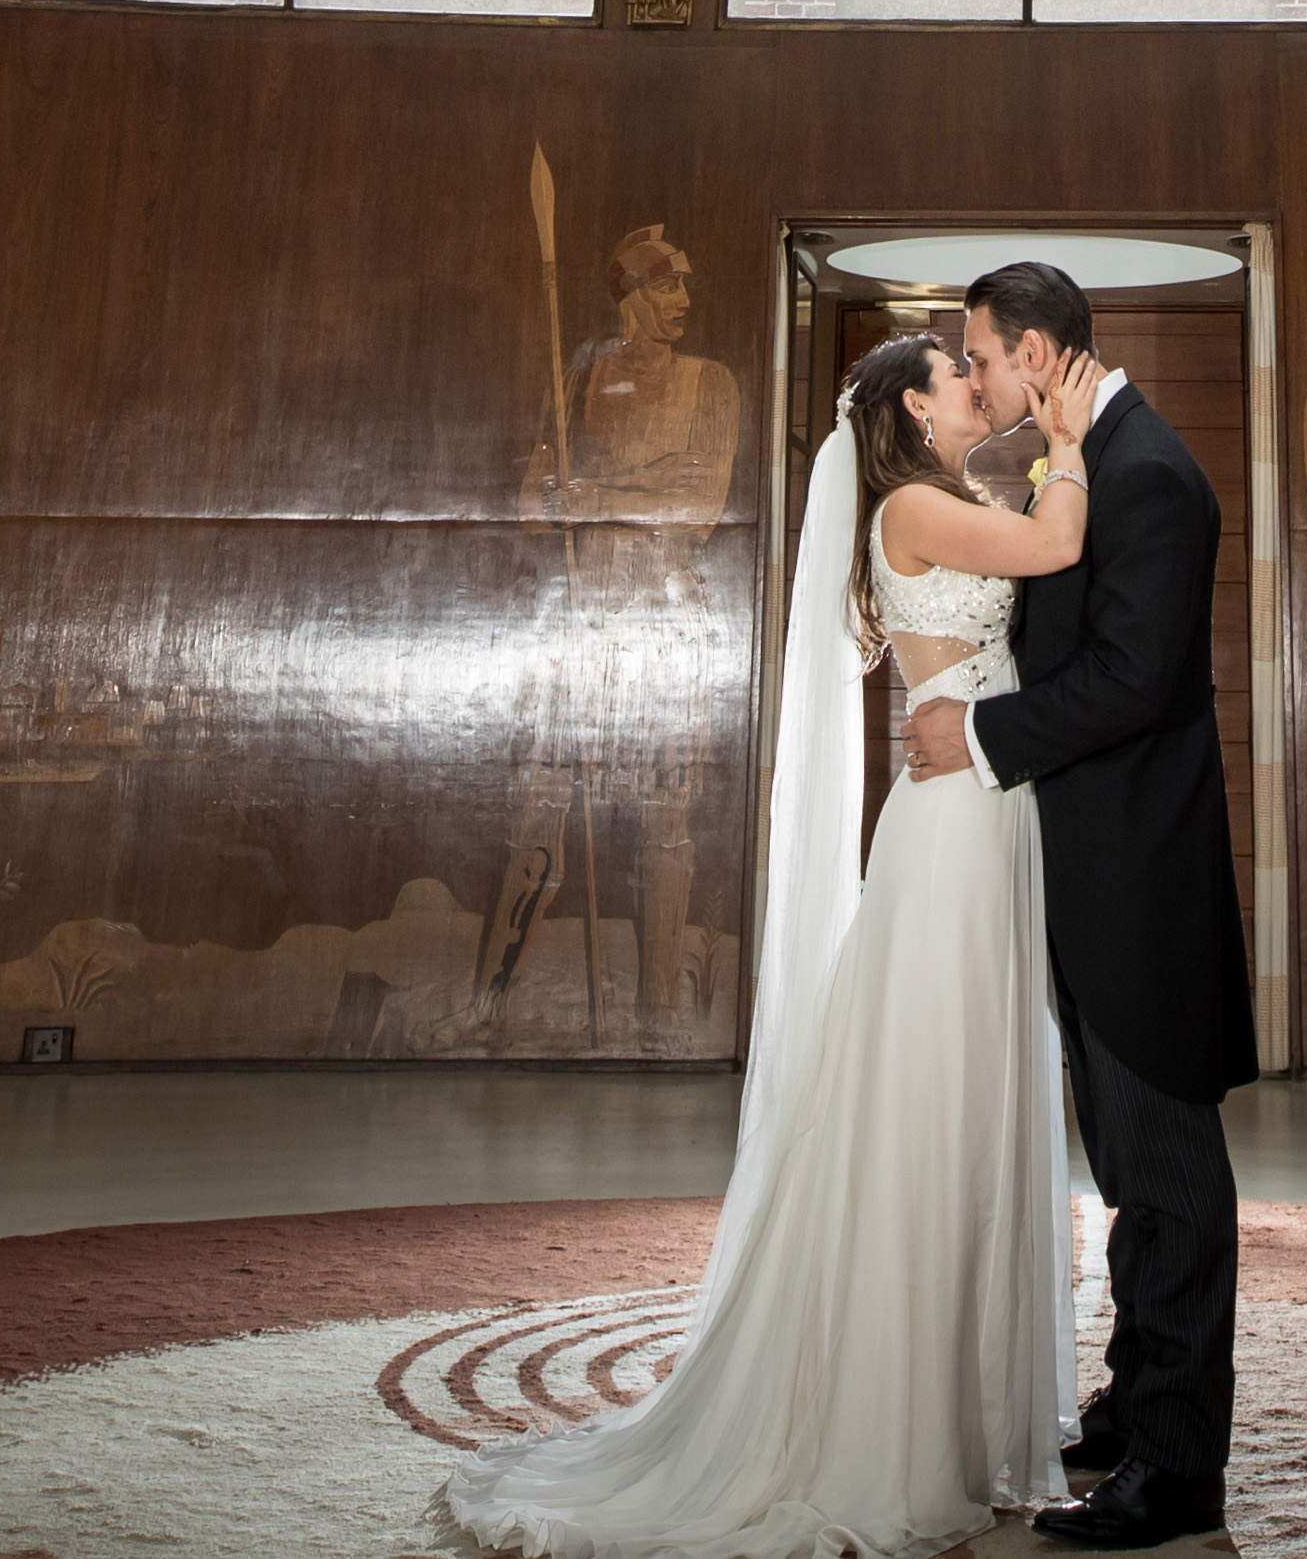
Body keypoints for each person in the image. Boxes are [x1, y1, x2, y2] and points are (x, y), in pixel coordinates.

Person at [437, 329, 1111, 1559]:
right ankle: (893, 1424)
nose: (977, 382)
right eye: (958, 372)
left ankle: (957, 1409)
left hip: (988, 810)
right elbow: (1057, 544)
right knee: (931, 1093)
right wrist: (1066, 439)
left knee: (972, 1089)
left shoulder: (950, 498)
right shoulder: (913, 507)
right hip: (953, 829)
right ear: (917, 408)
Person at [909, 261, 1251, 1552]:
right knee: (1126, 1163)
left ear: (1040, 353)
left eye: (983, 356)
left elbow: (1130, 678)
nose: (977, 377)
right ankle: (1134, 1403)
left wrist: (975, 735)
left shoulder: (1148, 472)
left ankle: (1177, 1470)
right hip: (1096, 875)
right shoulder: (1087, 458)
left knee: (1168, 1177)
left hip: (1140, 883)